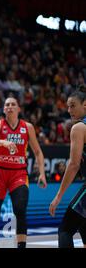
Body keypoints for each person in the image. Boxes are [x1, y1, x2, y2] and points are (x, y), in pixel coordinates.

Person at [0, 97, 47, 248]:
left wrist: (42, 173)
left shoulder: (28, 127)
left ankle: (21, 246)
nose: (10, 107)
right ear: (4, 109)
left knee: (20, 209)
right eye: (7, 105)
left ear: (19, 109)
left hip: (18, 174)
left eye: (13, 104)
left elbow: (38, 152)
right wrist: (3, 142)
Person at [49, 85, 86, 248]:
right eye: (67, 106)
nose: (69, 110)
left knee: (65, 230)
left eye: (73, 105)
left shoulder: (78, 128)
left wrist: (58, 196)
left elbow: (73, 165)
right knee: (83, 225)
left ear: (85, 104)